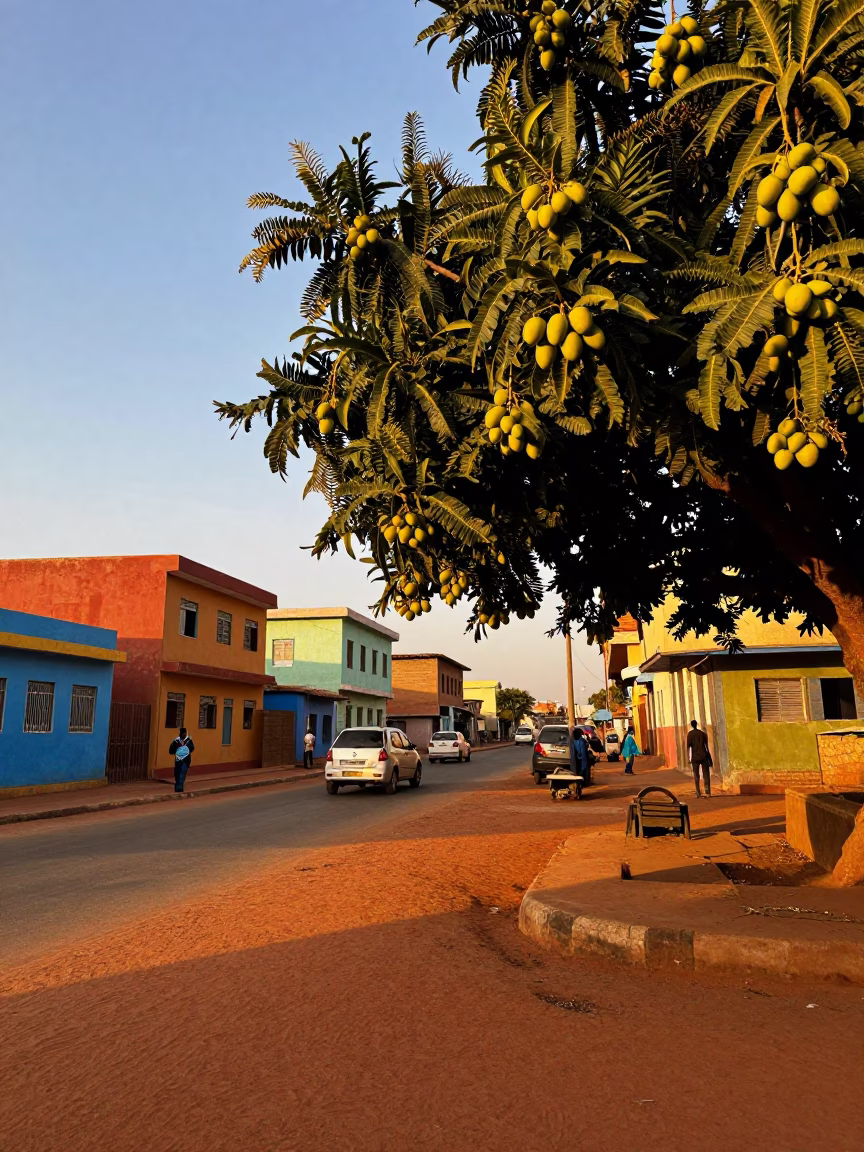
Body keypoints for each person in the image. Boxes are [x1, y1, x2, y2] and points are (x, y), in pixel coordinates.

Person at [686, 719, 713, 797]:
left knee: (696, 775)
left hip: (695, 757)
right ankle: (707, 792)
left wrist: (689, 757)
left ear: (691, 725)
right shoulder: (702, 734)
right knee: (706, 774)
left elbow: (689, 747)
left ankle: (698, 793)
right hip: (704, 755)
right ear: (696, 724)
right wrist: (709, 757)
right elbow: (706, 747)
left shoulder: (690, 734)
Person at [168, 728, 194, 793]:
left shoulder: (189, 741)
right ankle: (177, 786)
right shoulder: (176, 741)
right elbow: (171, 750)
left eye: (185, 734)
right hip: (178, 760)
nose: (184, 735)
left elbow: (192, 748)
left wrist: (185, 751)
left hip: (186, 760)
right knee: (177, 773)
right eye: (183, 734)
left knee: (183, 772)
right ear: (180, 734)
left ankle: (180, 786)